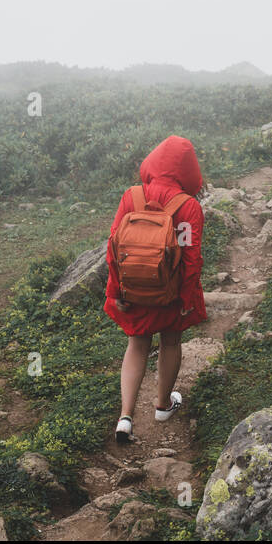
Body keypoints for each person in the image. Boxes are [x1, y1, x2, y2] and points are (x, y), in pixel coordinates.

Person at [103, 134, 207, 443]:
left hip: (133, 289)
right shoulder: (188, 207)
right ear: (189, 170)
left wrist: (115, 290)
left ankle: (125, 417)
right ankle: (163, 406)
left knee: (137, 345)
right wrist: (186, 298)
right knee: (171, 342)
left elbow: (113, 246)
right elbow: (191, 257)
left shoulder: (131, 197)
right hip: (170, 294)